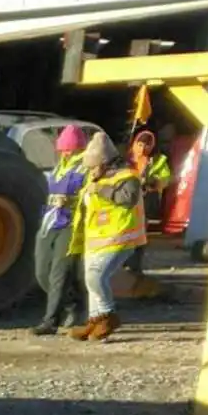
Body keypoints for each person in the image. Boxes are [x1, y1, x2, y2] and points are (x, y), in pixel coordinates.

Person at [70, 130, 147, 343]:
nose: (91, 170)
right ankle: (94, 321)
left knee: (96, 277)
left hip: (120, 236)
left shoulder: (127, 176)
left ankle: (107, 315)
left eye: (94, 166)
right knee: (90, 280)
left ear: (105, 162)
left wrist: (100, 190)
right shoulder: (96, 177)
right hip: (97, 238)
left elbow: (128, 198)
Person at [32, 125, 88, 335]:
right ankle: (72, 303)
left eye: (69, 148)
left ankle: (50, 321)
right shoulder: (58, 168)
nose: (65, 152)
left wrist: (71, 201)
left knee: (59, 273)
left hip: (71, 224)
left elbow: (91, 195)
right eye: (63, 148)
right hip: (50, 221)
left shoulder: (85, 168)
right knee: (41, 271)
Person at [122, 128, 174, 279]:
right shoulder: (126, 159)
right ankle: (122, 264)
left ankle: (135, 266)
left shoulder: (158, 160)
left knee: (139, 235)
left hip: (144, 202)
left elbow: (166, 179)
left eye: (147, 145)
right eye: (140, 144)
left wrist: (152, 182)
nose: (143, 148)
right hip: (125, 203)